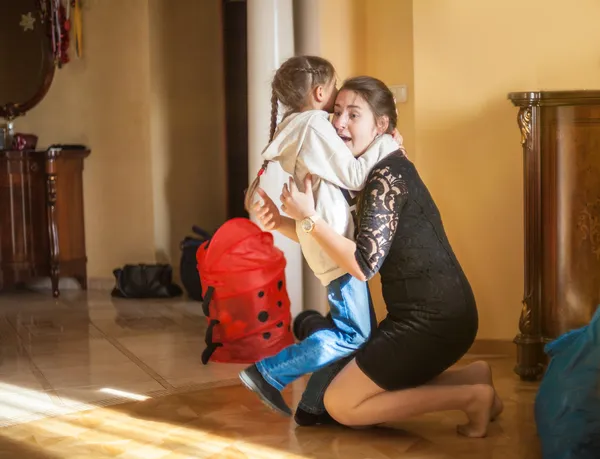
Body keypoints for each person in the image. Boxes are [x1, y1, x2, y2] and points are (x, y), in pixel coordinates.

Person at [253, 75, 503, 438]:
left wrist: (308, 217)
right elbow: (331, 239)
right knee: (352, 389)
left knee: (342, 405)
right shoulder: (371, 171)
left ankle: (471, 397)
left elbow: (362, 264)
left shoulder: (385, 177)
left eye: (353, 115)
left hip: (437, 320)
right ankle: (475, 378)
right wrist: (281, 222)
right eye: (336, 111)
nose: (338, 122)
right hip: (427, 314)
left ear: (381, 125)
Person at [239, 56, 400, 416]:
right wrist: (387, 144)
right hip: (335, 246)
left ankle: (315, 403)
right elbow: (357, 175)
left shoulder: (301, 126)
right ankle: (269, 373)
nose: (338, 118)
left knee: (356, 334)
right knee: (353, 335)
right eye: (336, 104)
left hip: (323, 239)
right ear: (319, 92)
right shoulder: (313, 125)